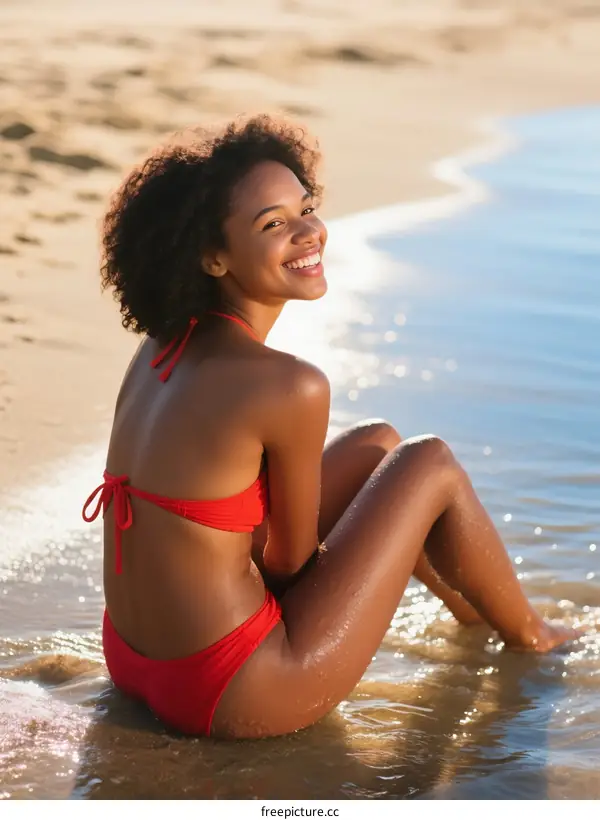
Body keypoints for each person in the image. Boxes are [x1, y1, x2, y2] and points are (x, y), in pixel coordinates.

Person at [83, 114, 578, 740]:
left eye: (305, 208)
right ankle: (535, 640)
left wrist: (363, 550)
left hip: (133, 659)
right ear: (211, 256)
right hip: (233, 689)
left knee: (380, 446)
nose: (307, 232)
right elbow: (289, 565)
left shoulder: (160, 346)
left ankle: (473, 617)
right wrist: (366, 572)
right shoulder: (289, 383)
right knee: (429, 463)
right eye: (273, 224)